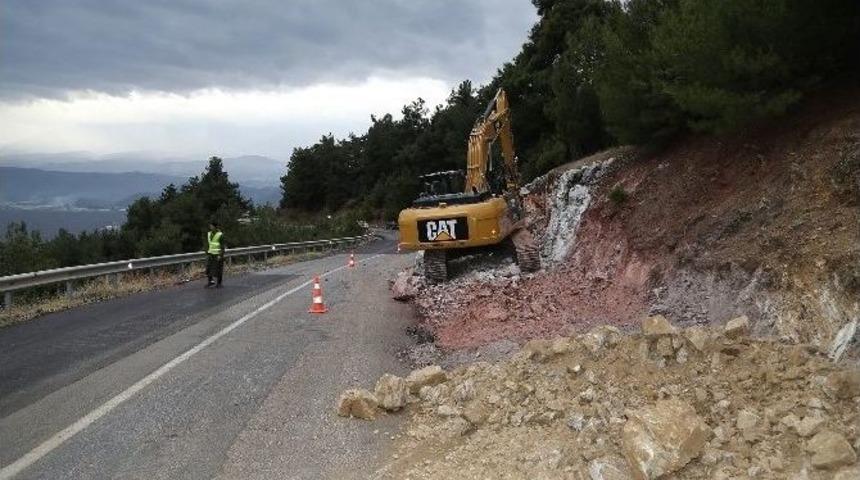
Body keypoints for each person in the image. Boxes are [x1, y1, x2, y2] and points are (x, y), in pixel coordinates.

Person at [205, 221, 225, 288]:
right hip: (210, 254)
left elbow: (222, 246)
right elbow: (208, 244)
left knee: (218, 269)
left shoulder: (220, 234)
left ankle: (219, 283)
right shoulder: (209, 234)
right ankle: (210, 282)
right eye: (210, 226)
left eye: (211, 226)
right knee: (208, 268)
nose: (210, 227)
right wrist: (206, 251)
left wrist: (220, 255)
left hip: (217, 254)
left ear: (215, 227)